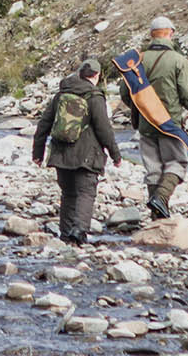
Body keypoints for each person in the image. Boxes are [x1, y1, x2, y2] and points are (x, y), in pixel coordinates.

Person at [32, 57, 124, 244]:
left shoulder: (61, 94)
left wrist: (38, 153)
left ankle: (66, 234)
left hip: (61, 155)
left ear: (80, 73)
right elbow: (103, 129)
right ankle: (80, 230)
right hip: (87, 155)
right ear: (96, 75)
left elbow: (44, 124)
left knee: (68, 194)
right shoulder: (94, 96)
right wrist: (115, 155)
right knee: (86, 193)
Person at [119, 15, 188, 219]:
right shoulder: (179, 60)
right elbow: (187, 92)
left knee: (153, 167)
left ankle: (158, 215)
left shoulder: (138, 60)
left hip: (145, 122)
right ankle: (161, 199)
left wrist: (140, 108)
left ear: (152, 35)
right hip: (169, 122)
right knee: (177, 162)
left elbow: (125, 92)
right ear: (170, 33)